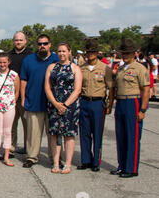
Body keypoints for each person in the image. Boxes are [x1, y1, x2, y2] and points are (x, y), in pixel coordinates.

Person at [20, 34, 60, 168]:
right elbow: (23, 80)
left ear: (50, 45)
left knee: (52, 133)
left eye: (45, 43)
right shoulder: (29, 60)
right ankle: (32, 157)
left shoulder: (57, 59)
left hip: (52, 103)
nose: (42, 46)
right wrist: (23, 98)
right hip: (34, 101)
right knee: (33, 133)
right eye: (39, 44)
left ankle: (54, 158)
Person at [112, 38, 150, 178]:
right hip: (121, 102)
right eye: (123, 53)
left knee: (132, 137)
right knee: (120, 136)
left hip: (132, 102)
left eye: (128, 53)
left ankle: (131, 168)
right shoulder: (121, 68)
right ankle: (122, 166)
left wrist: (143, 109)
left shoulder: (140, 68)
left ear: (134, 53)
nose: (125, 56)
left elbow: (145, 89)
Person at [77, 39, 115, 172]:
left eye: (92, 51)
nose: (90, 54)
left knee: (97, 133)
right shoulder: (81, 68)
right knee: (84, 133)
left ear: (97, 52)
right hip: (84, 101)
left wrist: (109, 105)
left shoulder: (105, 68)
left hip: (98, 103)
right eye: (88, 52)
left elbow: (111, 89)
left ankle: (96, 161)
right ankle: (86, 159)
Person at [45, 43, 82, 174]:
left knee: (69, 135)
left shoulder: (75, 68)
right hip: (54, 104)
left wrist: (65, 105)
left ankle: (67, 163)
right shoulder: (51, 67)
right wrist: (56, 104)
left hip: (70, 106)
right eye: (59, 51)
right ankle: (56, 163)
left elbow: (77, 89)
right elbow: (47, 87)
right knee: (54, 134)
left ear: (69, 52)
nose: (61, 54)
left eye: (64, 51)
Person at [8, 31, 32, 155]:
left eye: (21, 40)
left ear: (25, 41)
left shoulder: (31, 56)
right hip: (10, 96)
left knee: (26, 124)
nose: (18, 42)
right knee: (11, 124)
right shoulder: (9, 55)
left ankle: (28, 148)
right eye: (16, 40)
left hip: (25, 96)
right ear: (13, 41)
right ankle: (11, 147)